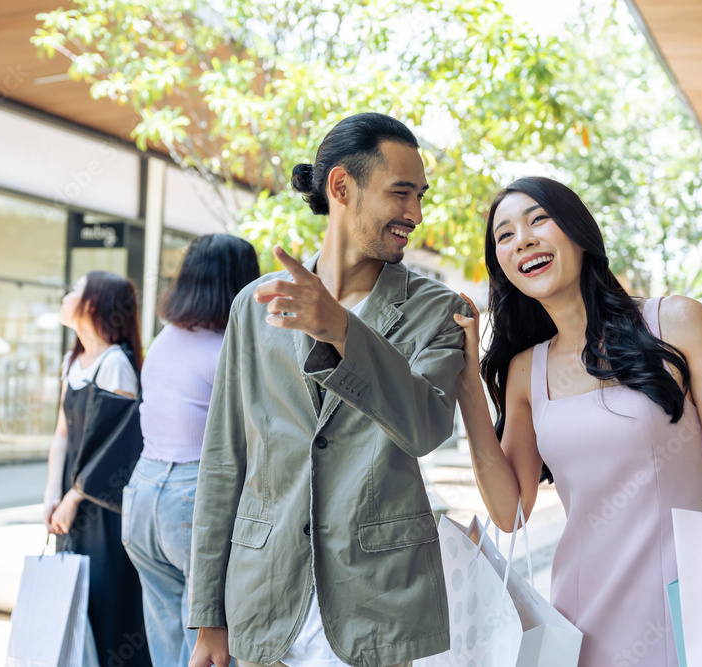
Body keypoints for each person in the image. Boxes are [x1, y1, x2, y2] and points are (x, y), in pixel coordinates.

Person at [451, 176, 702, 667]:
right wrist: (468, 385)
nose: (524, 239)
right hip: (582, 615)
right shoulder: (525, 371)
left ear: (579, 232)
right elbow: (509, 511)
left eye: (539, 219)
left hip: (692, 600)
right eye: (505, 235)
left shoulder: (676, 321)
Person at [187, 112, 472, 667]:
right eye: (401, 193)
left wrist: (340, 330)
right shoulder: (255, 305)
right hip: (264, 606)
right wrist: (208, 619)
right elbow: (224, 460)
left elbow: (426, 427)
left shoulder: (440, 311)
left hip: (378, 611)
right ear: (342, 187)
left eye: (421, 196)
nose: (415, 214)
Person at [123, 234, 260, 667]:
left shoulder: (165, 339)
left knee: (166, 635)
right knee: (208, 646)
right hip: (192, 499)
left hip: (143, 493)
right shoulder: (229, 352)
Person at [44, 270, 152, 667]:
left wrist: (73, 496)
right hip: (73, 501)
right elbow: (61, 435)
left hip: (103, 507)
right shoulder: (72, 359)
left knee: (106, 603)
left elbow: (120, 448)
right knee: (76, 602)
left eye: (75, 289)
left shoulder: (115, 365)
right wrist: (52, 495)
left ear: (94, 303)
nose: (66, 294)